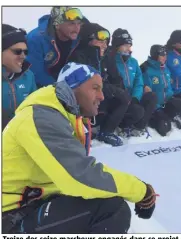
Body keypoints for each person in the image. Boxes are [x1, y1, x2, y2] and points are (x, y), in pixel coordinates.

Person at [2, 62, 157, 234]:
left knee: (100, 195)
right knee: (111, 208)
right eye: (95, 88)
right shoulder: (42, 118)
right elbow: (81, 177)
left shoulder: (60, 116)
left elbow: (81, 171)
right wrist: (142, 191)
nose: (102, 96)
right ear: (71, 88)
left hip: (34, 202)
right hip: (12, 217)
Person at [68, 22, 130, 146]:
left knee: (124, 98)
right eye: (101, 40)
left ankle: (106, 131)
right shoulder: (79, 56)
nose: (105, 45)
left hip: (101, 98)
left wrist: (119, 90)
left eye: (106, 41)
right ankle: (80, 131)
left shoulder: (105, 57)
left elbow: (116, 78)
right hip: (82, 100)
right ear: (89, 39)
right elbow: (82, 85)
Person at [106, 28, 157, 137]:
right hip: (118, 99)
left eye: (129, 46)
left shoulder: (133, 62)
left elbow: (139, 82)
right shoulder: (110, 61)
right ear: (117, 46)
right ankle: (122, 126)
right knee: (137, 111)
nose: (128, 49)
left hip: (131, 99)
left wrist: (135, 97)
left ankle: (138, 127)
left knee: (151, 97)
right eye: (125, 45)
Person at [141, 45, 181, 136]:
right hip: (155, 106)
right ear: (155, 55)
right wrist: (157, 107)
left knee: (180, 104)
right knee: (164, 128)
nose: (165, 57)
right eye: (162, 55)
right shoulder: (146, 69)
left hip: (166, 102)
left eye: (166, 55)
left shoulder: (165, 69)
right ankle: (156, 121)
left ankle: (175, 118)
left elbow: (168, 87)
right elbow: (147, 93)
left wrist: (171, 97)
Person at [27, 7, 86, 88]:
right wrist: (61, 89)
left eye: (79, 23)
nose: (76, 28)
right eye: (71, 23)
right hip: (41, 87)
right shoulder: (36, 39)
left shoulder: (78, 36)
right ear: (57, 25)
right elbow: (36, 73)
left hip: (65, 83)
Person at [2, 24, 37, 130]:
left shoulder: (28, 76)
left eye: (25, 52)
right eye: (17, 51)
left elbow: (35, 108)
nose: (23, 56)